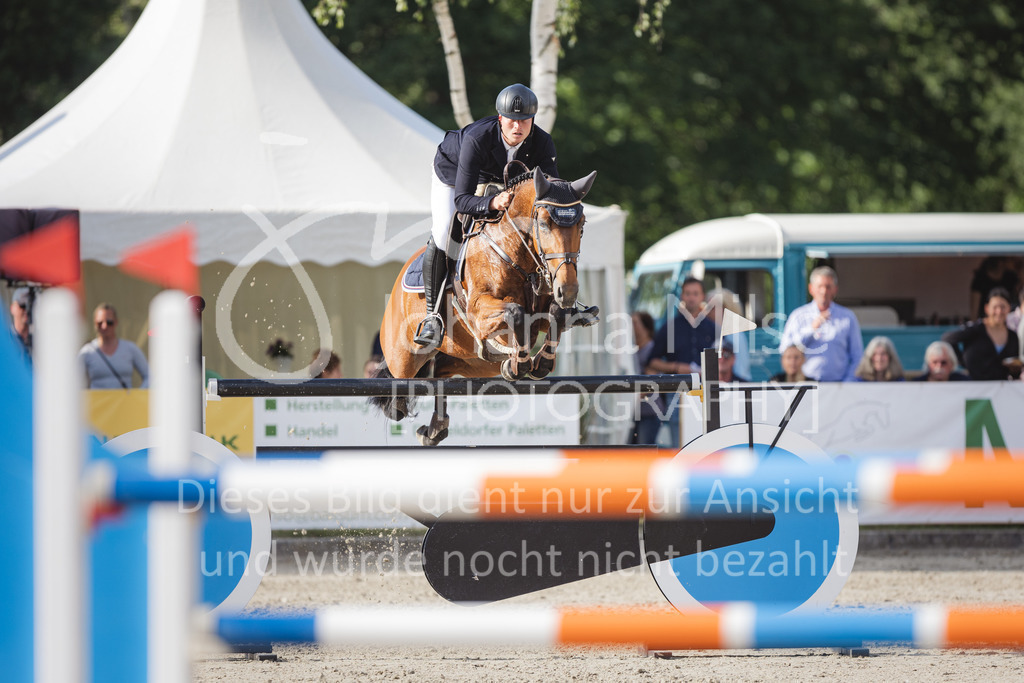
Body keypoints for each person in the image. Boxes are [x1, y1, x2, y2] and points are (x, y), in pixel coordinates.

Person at [414, 83, 559, 348]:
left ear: (533, 120)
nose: (518, 127)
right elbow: (462, 200)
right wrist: (492, 202)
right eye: (512, 120)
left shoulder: (542, 142)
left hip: (501, 178)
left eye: (525, 120)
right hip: (453, 174)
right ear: (500, 118)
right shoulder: (477, 138)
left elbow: (550, 194)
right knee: (445, 231)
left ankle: (564, 302)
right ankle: (432, 316)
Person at [645, 277, 716, 447]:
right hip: (678, 391)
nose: (691, 298)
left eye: (695, 294)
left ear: (702, 296)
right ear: (682, 296)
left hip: (706, 391)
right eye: (688, 293)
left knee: (707, 438)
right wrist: (677, 367)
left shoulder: (712, 328)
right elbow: (652, 361)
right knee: (680, 443)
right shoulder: (670, 327)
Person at [779, 266, 863, 381]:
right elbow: (785, 349)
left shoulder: (847, 317)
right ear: (811, 288)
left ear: (835, 289)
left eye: (828, 287)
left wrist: (848, 381)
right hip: (806, 385)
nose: (824, 291)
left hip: (838, 385)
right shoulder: (798, 316)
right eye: (820, 286)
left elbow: (857, 355)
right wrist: (811, 329)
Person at [942, 287, 1020, 380]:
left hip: (1002, 386)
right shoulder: (975, 329)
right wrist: (962, 361)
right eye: (995, 307)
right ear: (987, 308)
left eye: (1003, 307)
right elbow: (948, 338)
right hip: (975, 384)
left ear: (1009, 308)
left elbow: (1015, 369)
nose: (999, 311)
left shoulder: (1012, 336)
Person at [78, 303, 149, 389]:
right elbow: (73, 380)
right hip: (96, 397)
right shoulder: (87, 352)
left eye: (109, 322)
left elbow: (149, 376)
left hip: (124, 398)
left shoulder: (130, 349)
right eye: (100, 323)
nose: (104, 326)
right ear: (94, 324)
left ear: (116, 322)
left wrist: (138, 395)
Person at [704, 287, 751, 380]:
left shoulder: (735, 335)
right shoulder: (713, 333)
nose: (707, 312)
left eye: (713, 307)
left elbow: (741, 371)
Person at [629, 311, 662, 445]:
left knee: (644, 449)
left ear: (646, 327)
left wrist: (631, 396)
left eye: (635, 323)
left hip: (649, 411)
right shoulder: (631, 351)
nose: (631, 327)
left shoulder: (652, 350)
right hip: (633, 411)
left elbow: (651, 380)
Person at [8, 286, 32, 358]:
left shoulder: (40, 340)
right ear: (12, 308)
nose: (26, 310)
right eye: (22, 306)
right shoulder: (5, 341)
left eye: (29, 306)